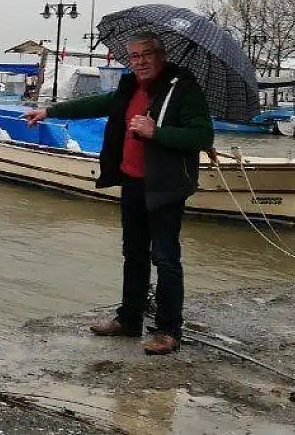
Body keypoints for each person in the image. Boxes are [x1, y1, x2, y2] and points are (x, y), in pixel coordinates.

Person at [21, 31, 213, 355]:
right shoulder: (129, 86)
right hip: (133, 181)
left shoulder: (183, 88)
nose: (139, 61)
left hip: (165, 185)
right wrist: (50, 112)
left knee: (165, 258)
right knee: (133, 254)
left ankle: (168, 330)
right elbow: (98, 103)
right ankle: (129, 320)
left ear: (161, 55)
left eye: (146, 54)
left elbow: (202, 135)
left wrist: (158, 132)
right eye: (134, 56)